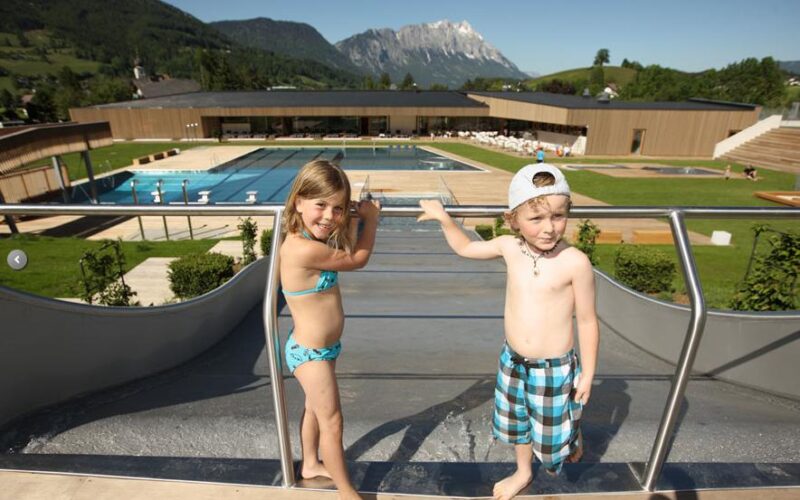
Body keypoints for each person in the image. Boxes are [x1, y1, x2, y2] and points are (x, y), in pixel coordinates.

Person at [418, 164, 599, 500]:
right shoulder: (509, 247)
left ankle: (571, 432)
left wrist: (588, 373)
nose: (549, 228)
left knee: (552, 436)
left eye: (558, 216)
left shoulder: (575, 262)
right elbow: (466, 249)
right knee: (517, 423)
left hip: (553, 369)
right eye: (537, 219)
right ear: (513, 219)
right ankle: (523, 471)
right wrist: (445, 219)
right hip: (512, 361)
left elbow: (587, 320)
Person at [280, 160, 381, 500]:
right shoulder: (301, 248)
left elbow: (344, 249)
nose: (328, 216)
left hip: (324, 349)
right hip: (309, 353)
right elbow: (357, 258)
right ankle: (347, 492)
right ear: (298, 202)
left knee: (313, 409)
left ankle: (310, 464)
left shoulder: (311, 238)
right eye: (320, 204)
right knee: (333, 421)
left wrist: (351, 218)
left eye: (338, 208)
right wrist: (372, 219)